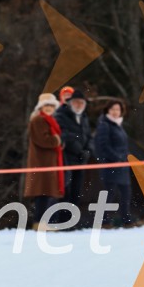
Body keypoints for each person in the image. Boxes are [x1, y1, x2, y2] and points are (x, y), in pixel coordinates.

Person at [24, 93, 64, 227]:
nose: (49, 108)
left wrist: (58, 142)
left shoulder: (49, 120)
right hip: (41, 163)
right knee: (42, 193)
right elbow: (44, 140)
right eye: (46, 105)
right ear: (41, 106)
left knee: (46, 194)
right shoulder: (38, 120)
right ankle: (38, 223)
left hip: (48, 162)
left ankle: (42, 222)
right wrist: (57, 140)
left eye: (52, 105)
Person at [94, 99, 133, 226]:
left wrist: (125, 158)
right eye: (113, 109)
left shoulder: (119, 125)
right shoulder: (104, 125)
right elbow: (103, 146)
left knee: (126, 193)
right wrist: (116, 157)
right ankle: (103, 221)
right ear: (107, 110)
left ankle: (126, 219)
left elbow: (123, 145)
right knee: (108, 193)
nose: (115, 112)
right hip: (110, 165)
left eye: (118, 109)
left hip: (123, 165)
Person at [54, 89, 92, 206]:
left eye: (82, 103)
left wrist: (88, 151)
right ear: (70, 103)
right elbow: (64, 135)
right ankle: (62, 222)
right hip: (65, 160)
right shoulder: (60, 115)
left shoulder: (84, 117)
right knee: (65, 192)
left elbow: (88, 136)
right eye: (76, 102)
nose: (79, 105)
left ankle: (72, 220)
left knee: (77, 192)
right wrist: (79, 150)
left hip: (81, 161)